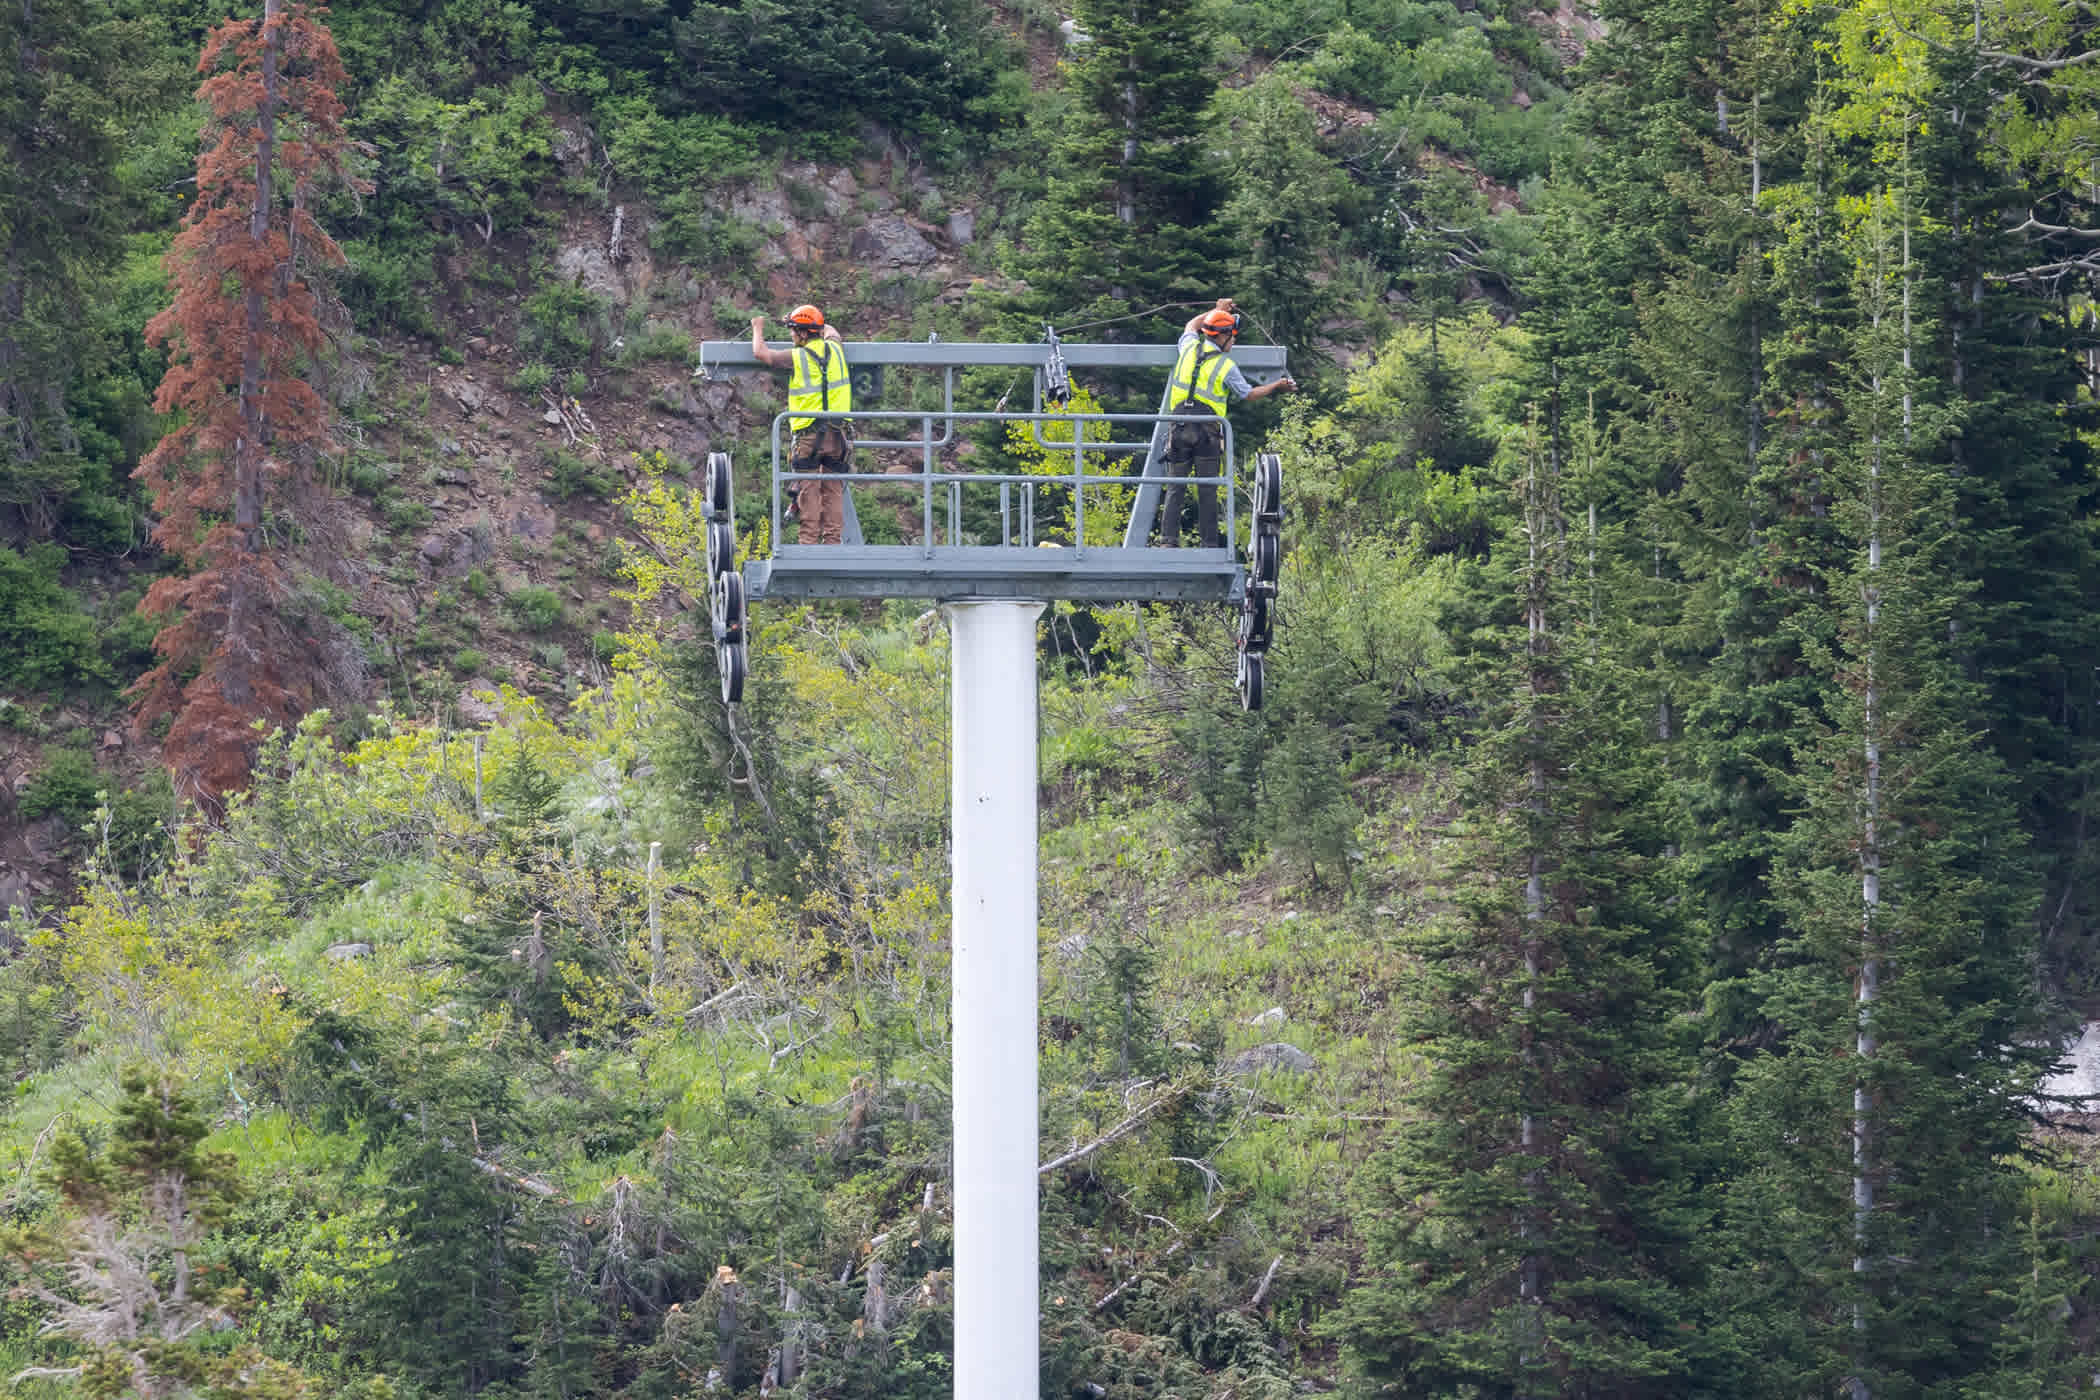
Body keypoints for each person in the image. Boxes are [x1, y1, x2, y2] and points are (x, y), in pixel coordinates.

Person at [1158, 298, 1295, 548]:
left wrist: (1216, 311)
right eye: (1232, 335)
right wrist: (1277, 385)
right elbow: (1249, 394)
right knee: (1208, 489)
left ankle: (1168, 541)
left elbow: (1191, 324)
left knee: (1175, 486)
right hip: (1207, 433)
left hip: (1177, 428)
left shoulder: (1188, 348)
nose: (1235, 340)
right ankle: (1209, 544)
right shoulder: (1226, 365)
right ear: (1221, 337)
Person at [751, 305, 853, 545]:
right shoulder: (835, 347)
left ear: (804, 334)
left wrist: (758, 327)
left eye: (794, 330)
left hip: (809, 435)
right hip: (839, 435)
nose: (792, 335)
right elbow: (831, 330)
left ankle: (807, 543)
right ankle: (832, 543)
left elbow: (761, 353)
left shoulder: (797, 356)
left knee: (808, 489)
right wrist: (804, 320)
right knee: (833, 490)